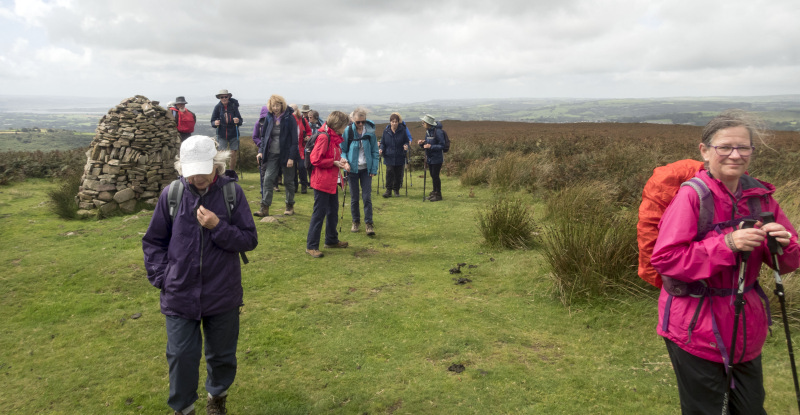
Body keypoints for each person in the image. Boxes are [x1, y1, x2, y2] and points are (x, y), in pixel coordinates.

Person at [651, 110, 799, 414]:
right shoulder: (692, 197)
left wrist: (782, 243)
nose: (735, 155)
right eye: (725, 147)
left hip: (746, 327)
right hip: (695, 327)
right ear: (705, 151)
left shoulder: (761, 197)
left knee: (750, 408)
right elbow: (666, 259)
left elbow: (788, 262)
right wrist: (728, 243)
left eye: (743, 147)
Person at [142, 135, 258, 415]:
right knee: (181, 356)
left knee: (221, 355)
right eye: (191, 173)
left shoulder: (232, 194)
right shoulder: (172, 195)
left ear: (216, 164)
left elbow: (248, 240)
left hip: (222, 293)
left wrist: (217, 226)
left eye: (202, 171)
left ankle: (217, 397)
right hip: (179, 293)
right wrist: (164, 278)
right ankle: (183, 409)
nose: (197, 178)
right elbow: (154, 242)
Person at [305, 111, 351, 258]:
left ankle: (331, 240)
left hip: (331, 181)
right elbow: (315, 160)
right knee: (319, 214)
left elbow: (333, 156)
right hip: (322, 182)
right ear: (338, 125)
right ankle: (311, 246)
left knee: (332, 212)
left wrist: (340, 162)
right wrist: (334, 162)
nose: (345, 128)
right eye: (344, 125)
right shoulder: (325, 137)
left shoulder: (332, 137)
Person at [254, 94, 299, 218]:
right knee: (268, 179)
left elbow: (295, 140)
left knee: (289, 181)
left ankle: (289, 205)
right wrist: (261, 151)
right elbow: (264, 137)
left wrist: (291, 157)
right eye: (273, 105)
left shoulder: (290, 118)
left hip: (286, 154)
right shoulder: (269, 118)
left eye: (277, 105)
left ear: (282, 105)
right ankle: (265, 208)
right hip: (272, 154)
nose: (275, 108)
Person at [341, 107, 379, 236]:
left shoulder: (370, 132)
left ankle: (369, 223)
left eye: (363, 121)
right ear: (353, 120)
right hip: (352, 169)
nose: (361, 124)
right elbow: (343, 149)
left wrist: (373, 169)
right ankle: (355, 221)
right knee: (354, 197)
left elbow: (375, 152)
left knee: (367, 197)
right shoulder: (348, 131)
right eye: (358, 122)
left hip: (366, 170)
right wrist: (345, 162)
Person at [210, 89, 243, 171]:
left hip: (234, 133)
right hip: (222, 134)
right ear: (219, 98)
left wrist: (238, 121)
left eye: (226, 97)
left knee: (233, 153)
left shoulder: (233, 106)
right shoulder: (217, 107)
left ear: (229, 97)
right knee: (221, 153)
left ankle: (231, 171)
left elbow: (240, 120)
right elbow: (212, 121)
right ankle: (222, 172)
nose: (224, 98)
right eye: (222, 97)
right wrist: (215, 123)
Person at [379, 112, 410, 197]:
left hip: (400, 155)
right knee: (389, 172)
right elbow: (383, 142)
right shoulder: (386, 131)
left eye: (396, 121)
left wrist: (406, 145)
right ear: (390, 122)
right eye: (392, 121)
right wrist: (381, 149)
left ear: (398, 122)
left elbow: (406, 141)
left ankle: (396, 190)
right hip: (389, 155)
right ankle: (388, 190)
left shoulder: (402, 131)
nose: (394, 123)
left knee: (398, 174)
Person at [418, 114, 445, 201]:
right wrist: (422, 144)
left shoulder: (438, 132)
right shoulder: (428, 131)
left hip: (437, 158)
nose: (422, 124)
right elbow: (427, 144)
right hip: (430, 158)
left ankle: (438, 194)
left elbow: (442, 145)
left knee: (435, 175)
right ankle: (434, 192)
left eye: (424, 122)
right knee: (433, 175)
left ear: (428, 123)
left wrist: (431, 147)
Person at [291, 104, 313, 194]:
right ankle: (294, 186)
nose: (293, 112)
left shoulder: (303, 120)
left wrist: (308, 136)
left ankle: (304, 185)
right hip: (291, 148)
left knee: (302, 167)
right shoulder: (288, 120)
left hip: (301, 148)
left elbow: (309, 131)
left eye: (294, 110)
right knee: (292, 168)